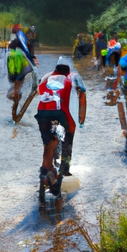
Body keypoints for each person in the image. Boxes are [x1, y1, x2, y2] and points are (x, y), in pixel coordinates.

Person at [34, 58, 86, 205]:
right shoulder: (70, 80)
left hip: (42, 113)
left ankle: (46, 170)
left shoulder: (46, 78)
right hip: (60, 113)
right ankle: (64, 170)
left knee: (48, 145)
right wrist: (77, 123)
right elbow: (75, 101)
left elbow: (40, 92)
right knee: (68, 137)